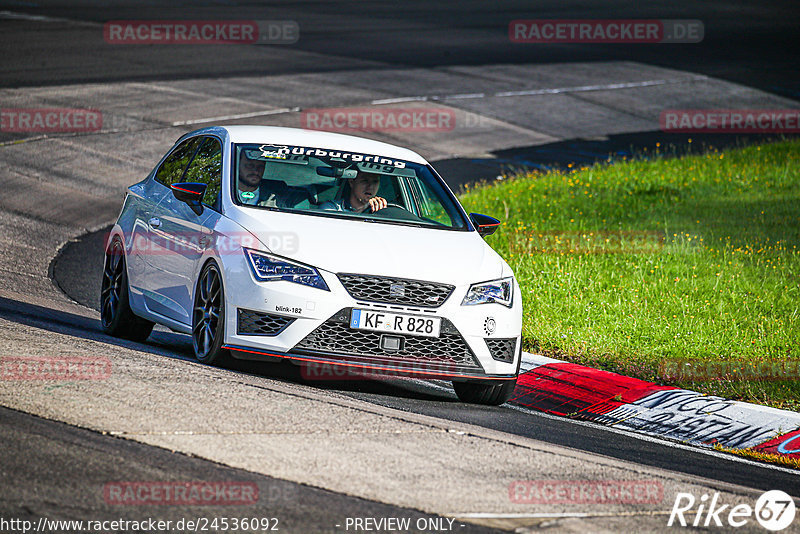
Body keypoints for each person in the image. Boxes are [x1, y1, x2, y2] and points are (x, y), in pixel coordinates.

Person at [320, 171, 388, 213]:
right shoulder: (331, 208)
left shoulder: (380, 210)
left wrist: (382, 212)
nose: (370, 187)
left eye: (375, 182)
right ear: (352, 182)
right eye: (365, 181)